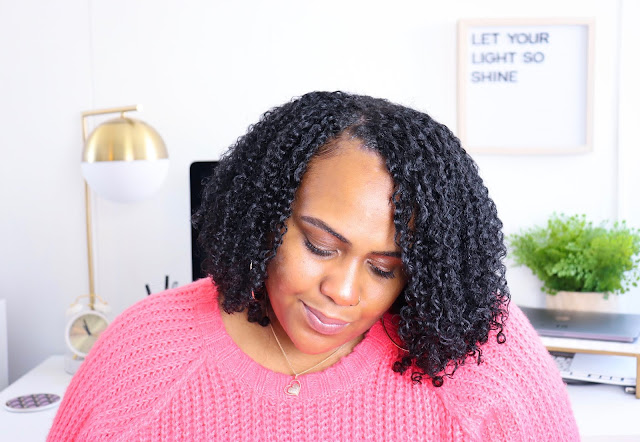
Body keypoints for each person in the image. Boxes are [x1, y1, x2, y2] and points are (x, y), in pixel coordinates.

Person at [49, 91, 579, 441]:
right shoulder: (145, 355)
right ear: (264, 216)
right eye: (320, 246)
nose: (344, 292)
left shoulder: (476, 355)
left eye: (384, 268)